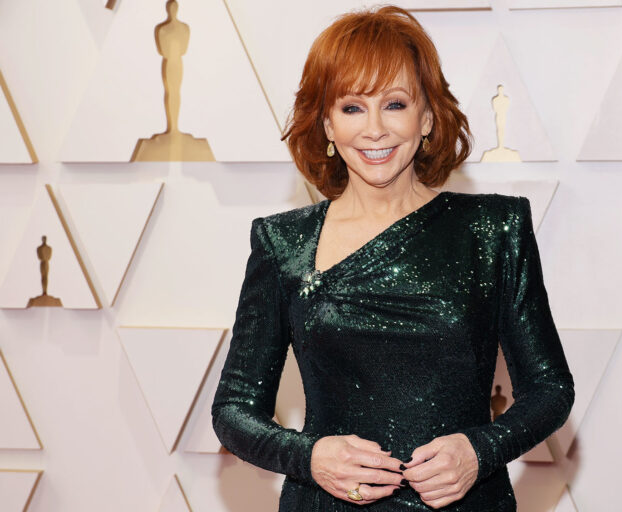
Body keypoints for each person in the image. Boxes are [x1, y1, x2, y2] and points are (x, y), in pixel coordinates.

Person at [211, 5, 574, 511]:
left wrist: (479, 450)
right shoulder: (282, 243)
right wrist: (309, 456)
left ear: (427, 117)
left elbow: (550, 389)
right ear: (327, 125)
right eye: (352, 107)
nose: (375, 129)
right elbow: (233, 410)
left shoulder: (494, 229)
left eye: (395, 104)